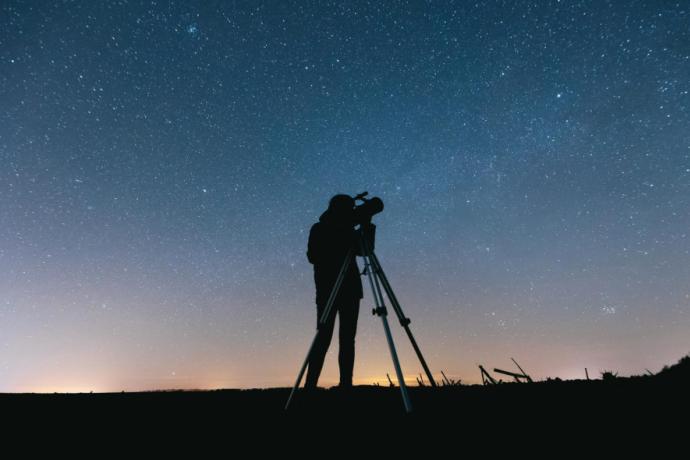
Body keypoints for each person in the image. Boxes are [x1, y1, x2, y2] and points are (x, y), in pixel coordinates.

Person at [304, 194, 374, 389]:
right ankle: (310, 385)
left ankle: (346, 384)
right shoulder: (319, 228)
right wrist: (340, 237)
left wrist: (367, 224)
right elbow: (313, 256)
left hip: (350, 291)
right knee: (323, 337)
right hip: (328, 290)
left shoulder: (350, 230)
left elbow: (366, 251)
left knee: (347, 339)